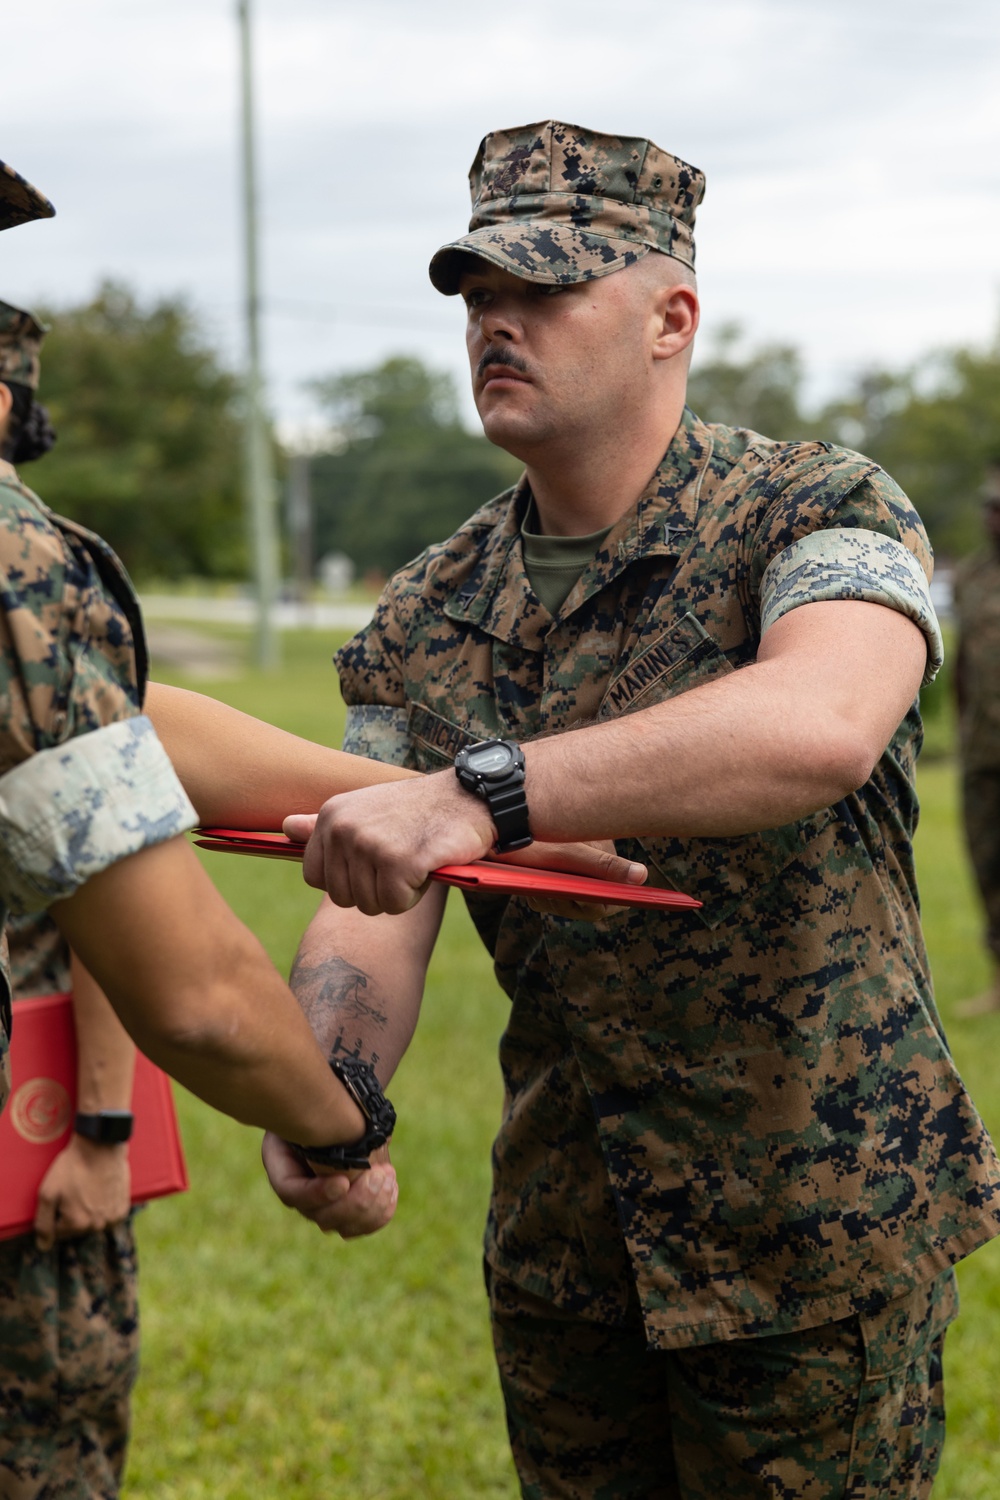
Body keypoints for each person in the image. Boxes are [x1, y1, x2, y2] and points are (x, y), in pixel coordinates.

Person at [265, 121, 1000, 1499]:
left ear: (673, 316)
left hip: (814, 1235)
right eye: (481, 297)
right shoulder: (432, 610)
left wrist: (488, 793)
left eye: (545, 290)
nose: (499, 324)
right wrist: (331, 1090)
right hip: (569, 1252)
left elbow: (820, 727)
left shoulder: (817, 509)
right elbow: (372, 889)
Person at [953, 461, 1000, 1016]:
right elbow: (963, 661)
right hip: (983, 748)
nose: (992, 516)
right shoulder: (973, 575)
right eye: (988, 507)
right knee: (989, 864)